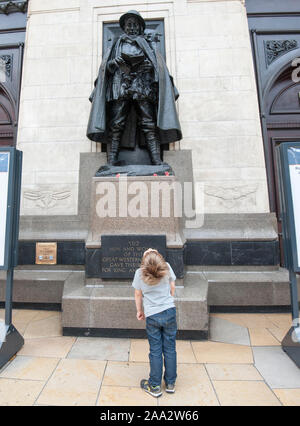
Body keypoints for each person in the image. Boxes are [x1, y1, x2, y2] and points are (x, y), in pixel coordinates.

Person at [87, 10, 182, 166]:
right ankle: (111, 160)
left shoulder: (148, 44)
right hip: (121, 86)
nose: (131, 28)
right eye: (128, 25)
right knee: (116, 124)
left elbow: (158, 68)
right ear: (124, 27)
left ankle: (156, 159)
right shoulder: (116, 44)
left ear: (140, 27)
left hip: (142, 86)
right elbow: (106, 69)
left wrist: (150, 67)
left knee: (148, 123)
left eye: (134, 25)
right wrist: (114, 64)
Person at [132, 248, 177, 398]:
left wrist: (140, 311)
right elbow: (172, 288)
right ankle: (170, 384)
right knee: (170, 348)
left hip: (152, 315)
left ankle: (155, 385)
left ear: (144, 262)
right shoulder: (167, 267)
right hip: (169, 311)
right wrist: (167, 301)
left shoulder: (140, 273)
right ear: (158, 258)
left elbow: (138, 294)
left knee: (155, 350)